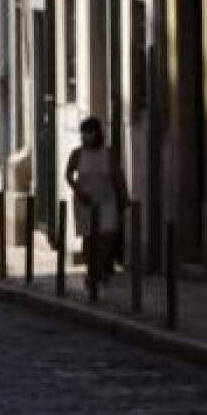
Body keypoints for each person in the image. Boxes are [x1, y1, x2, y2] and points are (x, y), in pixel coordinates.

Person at [66, 117, 128, 289]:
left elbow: (118, 177)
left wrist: (124, 198)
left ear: (97, 133)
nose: (85, 137)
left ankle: (101, 266)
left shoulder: (108, 154)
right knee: (89, 237)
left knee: (107, 234)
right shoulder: (77, 153)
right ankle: (92, 270)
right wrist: (78, 191)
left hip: (107, 200)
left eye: (89, 133)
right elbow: (68, 174)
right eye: (83, 134)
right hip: (84, 202)